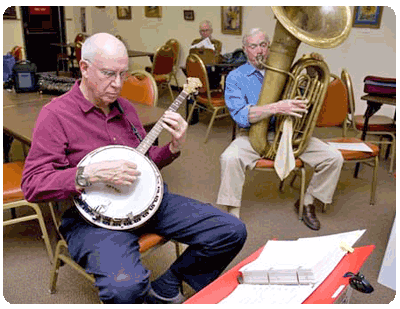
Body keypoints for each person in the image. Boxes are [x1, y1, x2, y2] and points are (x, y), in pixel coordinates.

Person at [21, 33, 247, 304]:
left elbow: (144, 159)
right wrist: (89, 174)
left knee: (230, 230)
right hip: (92, 220)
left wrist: (173, 148)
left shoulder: (125, 108)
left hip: (145, 201)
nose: (117, 84)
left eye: (122, 74)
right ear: (84, 68)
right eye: (108, 74)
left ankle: (167, 285)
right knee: (123, 288)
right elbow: (33, 184)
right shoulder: (55, 115)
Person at [217, 28, 344, 230]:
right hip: (252, 135)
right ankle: (232, 213)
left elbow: (306, 99)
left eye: (263, 45)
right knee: (229, 158)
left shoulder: (288, 71)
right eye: (253, 46)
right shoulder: (235, 78)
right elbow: (241, 115)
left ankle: (307, 201)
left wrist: (313, 73)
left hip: (288, 133)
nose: (259, 51)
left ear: (269, 47)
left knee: (334, 157)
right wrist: (276, 107)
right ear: (245, 49)